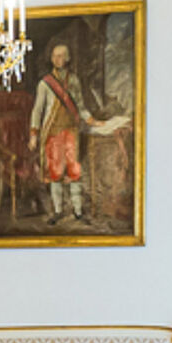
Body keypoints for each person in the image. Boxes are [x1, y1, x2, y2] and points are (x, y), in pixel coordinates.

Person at [27, 41, 108, 226]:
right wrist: (33, 134)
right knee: (55, 173)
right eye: (55, 55)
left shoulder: (74, 81)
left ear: (68, 58)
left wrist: (92, 121)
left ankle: (77, 210)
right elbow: (37, 111)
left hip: (71, 131)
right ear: (51, 58)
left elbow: (79, 106)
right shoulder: (45, 84)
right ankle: (57, 210)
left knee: (74, 171)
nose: (58, 59)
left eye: (62, 55)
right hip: (52, 133)